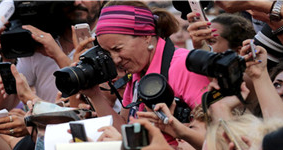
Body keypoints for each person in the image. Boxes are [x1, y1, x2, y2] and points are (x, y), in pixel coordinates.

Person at [86, 1, 210, 142]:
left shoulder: (184, 66)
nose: (115, 60)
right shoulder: (137, 71)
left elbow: (212, 140)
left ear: (146, 36)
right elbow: (126, 129)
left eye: (118, 49)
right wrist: (94, 95)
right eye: (108, 52)